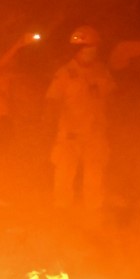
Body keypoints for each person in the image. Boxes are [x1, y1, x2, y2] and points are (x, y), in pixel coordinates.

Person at [45, 25, 115, 215]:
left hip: (95, 134)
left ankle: (93, 220)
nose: (92, 51)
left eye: (94, 47)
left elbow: (111, 97)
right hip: (70, 136)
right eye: (88, 47)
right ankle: (62, 221)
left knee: (95, 180)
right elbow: (51, 101)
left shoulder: (102, 71)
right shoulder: (64, 73)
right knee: (64, 179)